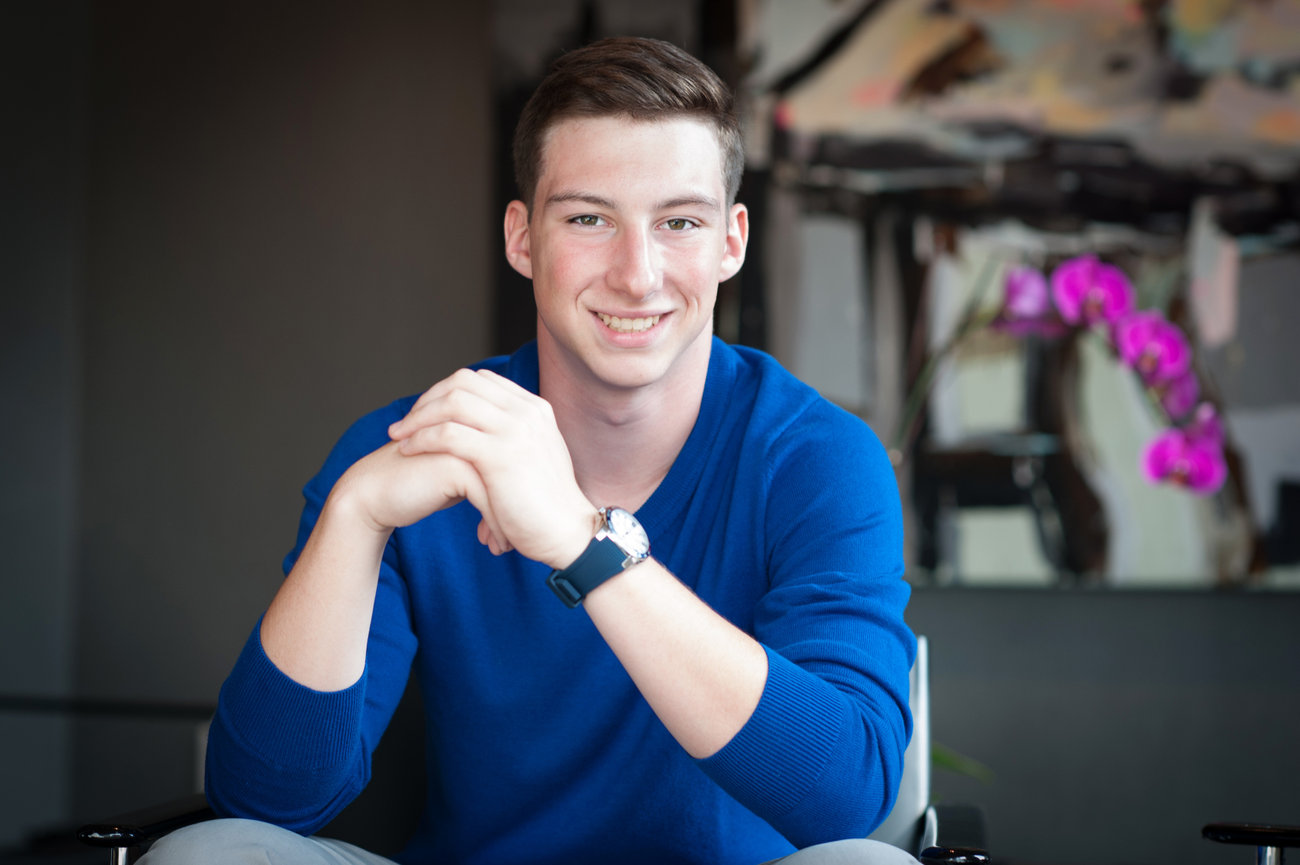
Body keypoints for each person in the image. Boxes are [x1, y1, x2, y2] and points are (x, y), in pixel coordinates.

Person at [143, 36, 918, 865]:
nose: (637, 273)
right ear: (522, 239)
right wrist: (355, 515)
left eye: (679, 222)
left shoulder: (818, 457)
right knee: (213, 853)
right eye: (589, 218)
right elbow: (264, 799)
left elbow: (845, 796)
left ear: (731, 241)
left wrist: (586, 544)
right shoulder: (417, 448)